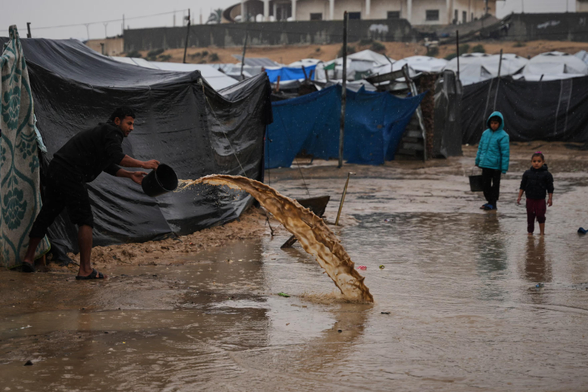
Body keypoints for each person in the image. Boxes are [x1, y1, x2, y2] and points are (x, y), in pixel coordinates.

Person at [21, 107, 159, 278]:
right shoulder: (112, 132)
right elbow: (117, 156)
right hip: (71, 173)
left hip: (57, 169)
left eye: (133, 124)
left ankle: (28, 258)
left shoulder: (103, 133)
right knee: (85, 219)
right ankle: (85, 269)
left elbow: (108, 164)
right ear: (117, 121)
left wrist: (130, 175)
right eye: (129, 123)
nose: (131, 128)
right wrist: (144, 164)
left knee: (48, 213)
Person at [475, 111, 510, 211]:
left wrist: (504, 167)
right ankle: (489, 201)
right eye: (492, 123)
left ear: (500, 124)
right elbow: (480, 148)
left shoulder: (503, 136)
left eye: (496, 123)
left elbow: (505, 153)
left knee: (495, 186)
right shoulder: (485, 134)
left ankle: (493, 203)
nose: (493, 125)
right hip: (485, 164)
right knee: (485, 185)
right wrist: (478, 160)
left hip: (496, 166)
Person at [517, 152, 554, 236]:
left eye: (539, 161)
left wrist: (550, 198)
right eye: (534, 161)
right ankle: (530, 233)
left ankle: (542, 233)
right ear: (531, 162)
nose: (536, 163)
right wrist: (519, 196)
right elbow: (522, 186)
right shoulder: (527, 173)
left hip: (540, 199)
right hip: (529, 198)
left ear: (543, 162)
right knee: (530, 216)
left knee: (540, 215)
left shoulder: (547, 174)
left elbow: (550, 188)